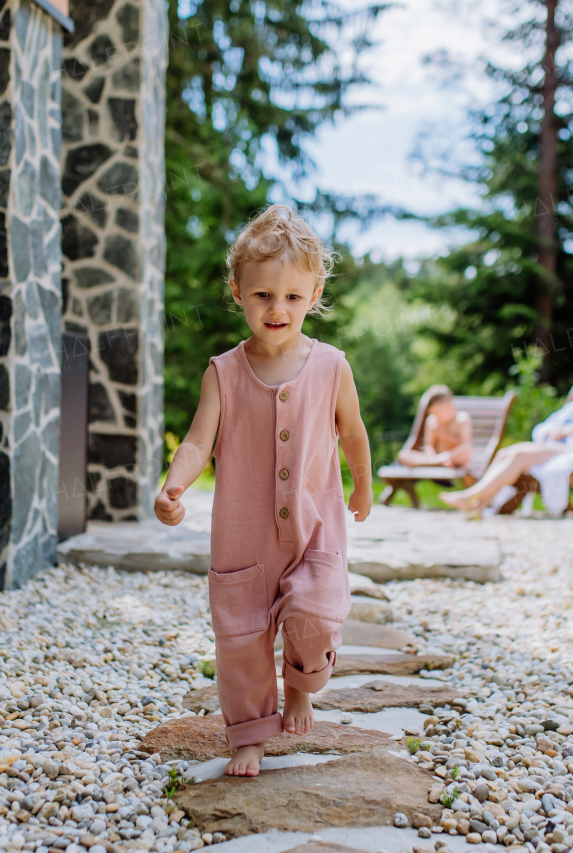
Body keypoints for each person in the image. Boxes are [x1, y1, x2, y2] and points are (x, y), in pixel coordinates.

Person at [154, 204, 372, 777]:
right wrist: (175, 482)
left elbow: (353, 431)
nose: (278, 309)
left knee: (316, 614)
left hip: (314, 529)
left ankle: (301, 683)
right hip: (242, 539)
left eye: (293, 298)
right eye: (262, 296)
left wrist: (364, 486)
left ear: (315, 293)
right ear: (237, 291)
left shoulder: (331, 367)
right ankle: (249, 733)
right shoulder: (222, 372)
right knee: (242, 640)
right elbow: (200, 442)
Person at [440, 355, 573, 517]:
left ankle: (472, 496)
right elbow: (542, 428)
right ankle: (480, 503)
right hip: (556, 449)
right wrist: (552, 432)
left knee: (518, 456)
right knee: (507, 453)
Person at [397, 385, 472, 469]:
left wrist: (442, 433)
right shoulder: (432, 420)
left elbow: (463, 445)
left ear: (448, 406)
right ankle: (438, 463)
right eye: (432, 413)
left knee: (467, 449)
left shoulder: (462, 419)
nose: (434, 416)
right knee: (403, 454)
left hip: (454, 459)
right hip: (436, 459)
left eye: (436, 413)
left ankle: (434, 462)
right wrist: (432, 457)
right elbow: (429, 446)